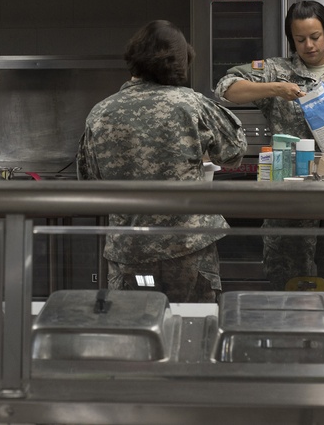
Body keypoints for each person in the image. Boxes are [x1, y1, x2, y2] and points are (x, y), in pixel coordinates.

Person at [217, 1, 324, 303]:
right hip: (289, 199)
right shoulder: (276, 71)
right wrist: (275, 89)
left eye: (315, 36)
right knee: (288, 287)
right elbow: (225, 88)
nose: (309, 45)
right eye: (300, 39)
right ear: (292, 39)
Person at [77, 20, 246, 303]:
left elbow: (89, 180)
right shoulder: (192, 104)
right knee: (192, 329)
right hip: (188, 249)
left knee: (134, 332)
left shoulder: (100, 113)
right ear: (180, 62)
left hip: (129, 252)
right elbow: (234, 151)